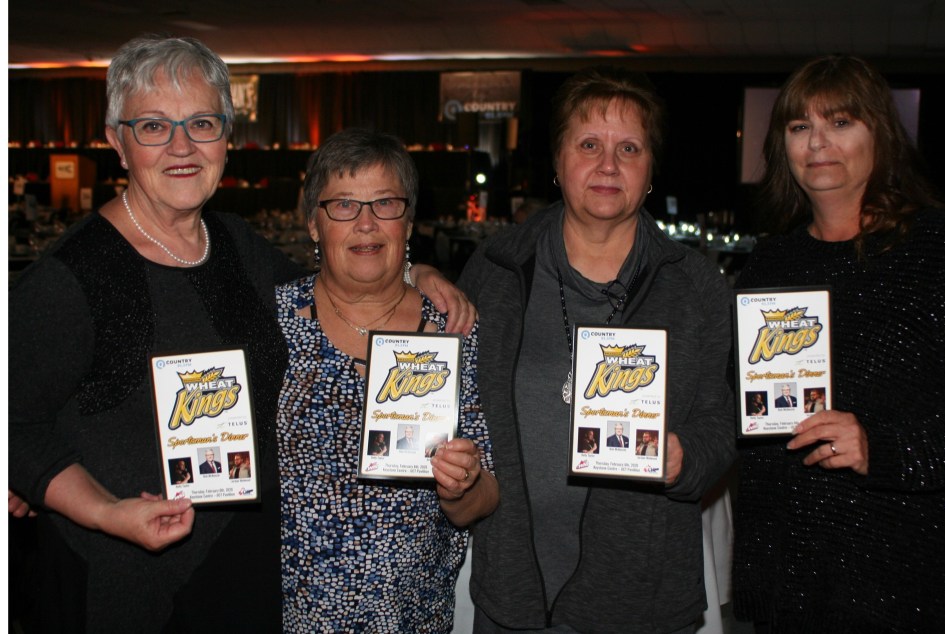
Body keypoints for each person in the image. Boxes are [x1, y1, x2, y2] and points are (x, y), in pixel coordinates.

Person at [6, 35, 474, 633]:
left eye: (201, 123)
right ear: (117, 144)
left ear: (227, 137)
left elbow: (338, 281)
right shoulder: (72, 276)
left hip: (245, 576)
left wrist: (418, 271)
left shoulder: (234, 246)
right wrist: (102, 510)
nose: (181, 146)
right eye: (153, 126)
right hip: (130, 582)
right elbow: (11, 422)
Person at [459, 66, 735, 633]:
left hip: (642, 599)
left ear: (650, 169)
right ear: (559, 162)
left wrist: (687, 459)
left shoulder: (696, 285)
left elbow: (722, 423)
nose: (608, 165)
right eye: (589, 144)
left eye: (629, 147)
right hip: (514, 589)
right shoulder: (495, 270)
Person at [732, 55, 945, 632]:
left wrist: (880, 447)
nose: (818, 142)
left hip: (902, 563)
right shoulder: (770, 263)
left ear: (880, 131)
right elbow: (745, 417)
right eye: (799, 127)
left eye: (841, 122)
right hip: (787, 565)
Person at [277, 128, 499, 632]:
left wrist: (461, 485)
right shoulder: (273, 326)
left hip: (411, 618)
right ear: (314, 223)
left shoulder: (455, 330)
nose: (366, 223)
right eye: (343, 206)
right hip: (287, 617)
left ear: (409, 222)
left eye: (385, 204)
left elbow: (485, 496)